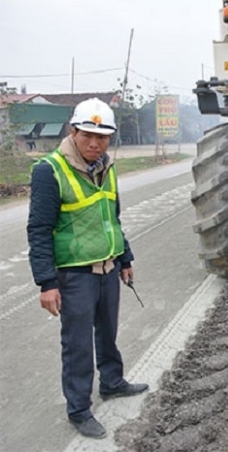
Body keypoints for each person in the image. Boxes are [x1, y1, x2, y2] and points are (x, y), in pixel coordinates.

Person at [27, 98, 148, 439]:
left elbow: (112, 218)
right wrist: (46, 282)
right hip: (74, 275)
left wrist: (125, 259)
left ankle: (112, 382)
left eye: (103, 137)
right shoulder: (49, 170)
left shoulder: (107, 167)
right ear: (73, 131)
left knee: (107, 333)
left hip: (108, 269)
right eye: (88, 136)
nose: (95, 144)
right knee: (78, 344)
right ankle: (79, 409)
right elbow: (38, 230)